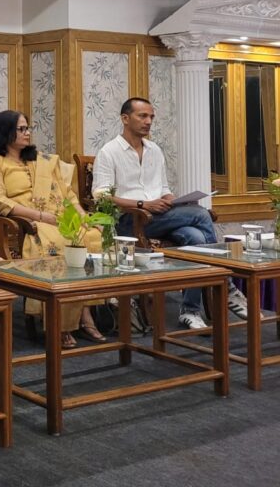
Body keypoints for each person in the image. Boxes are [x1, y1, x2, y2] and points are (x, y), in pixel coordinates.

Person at [93, 97, 248, 330]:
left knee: (196, 238)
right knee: (201, 214)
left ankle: (189, 311)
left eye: (151, 117)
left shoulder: (155, 150)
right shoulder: (109, 152)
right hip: (130, 222)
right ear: (125, 118)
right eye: (142, 116)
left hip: (161, 217)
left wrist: (171, 200)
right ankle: (226, 284)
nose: (148, 121)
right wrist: (144, 204)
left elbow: (163, 188)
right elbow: (101, 196)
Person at [0, 110, 105, 348]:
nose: (27, 133)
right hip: (21, 227)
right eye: (21, 129)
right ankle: (62, 323)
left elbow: (68, 195)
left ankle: (83, 311)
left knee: (92, 236)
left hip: (59, 219)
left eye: (28, 128)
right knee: (60, 242)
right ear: (5, 132)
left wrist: (85, 218)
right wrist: (41, 216)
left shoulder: (42, 161)